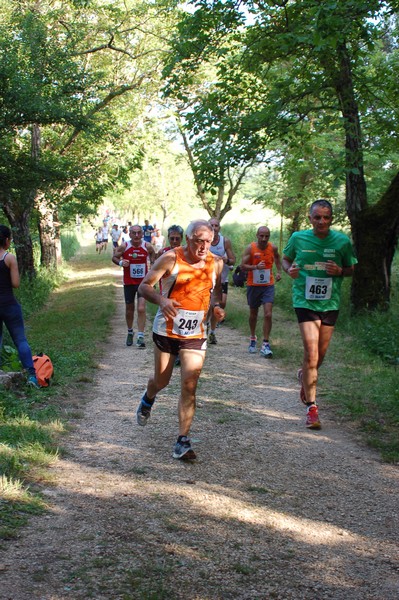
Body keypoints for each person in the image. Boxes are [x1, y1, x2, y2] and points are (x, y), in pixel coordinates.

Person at [136, 220, 225, 460]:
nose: (204, 246)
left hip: (195, 333)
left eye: (208, 241)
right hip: (167, 331)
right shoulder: (170, 259)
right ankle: (148, 398)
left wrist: (216, 308)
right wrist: (162, 301)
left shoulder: (216, 263)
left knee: (189, 384)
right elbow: (144, 287)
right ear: (188, 239)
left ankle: (182, 440)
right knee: (161, 381)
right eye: (198, 240)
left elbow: (214, 292)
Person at [282, 199, 357, 430]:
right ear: (310, 218)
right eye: (317, 217)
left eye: (326, 217)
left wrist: (340, 271)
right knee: (311, 352)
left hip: (330, 303)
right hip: (304, 301)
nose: (321, 221)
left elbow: (352, 268)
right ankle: (312, 409)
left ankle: (304, 375)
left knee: (319, 356)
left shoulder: (342, 242)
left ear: (331, 218)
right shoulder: (298, 238)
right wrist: (289, 270)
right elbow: (285, 260)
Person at [0, 225, 39, 388]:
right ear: (7, 240)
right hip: (9, 304)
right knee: (20, 340)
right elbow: (16, 283)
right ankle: (32, 376)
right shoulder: (9, 258)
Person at [241, 226, 282, 357]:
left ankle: (265, 343)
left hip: (268, 285)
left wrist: (279, 271)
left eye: (267, 236)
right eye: (261, 236)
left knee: (268, 314)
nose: (264, 239)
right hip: (253, 285)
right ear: (257, 235)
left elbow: (277, 257)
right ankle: (253, 337)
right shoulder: (251, 248)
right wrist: (255, 267)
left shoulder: (273, 247)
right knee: (253, 313)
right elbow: (242, 266)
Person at [112, 224, 155, 348]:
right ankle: (130, 332)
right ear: (129, 234)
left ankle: (140, 336)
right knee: (129, 309)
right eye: (133, 233)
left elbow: (153, 254)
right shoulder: (125, 246)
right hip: (129, 283)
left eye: (139, 233)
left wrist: (152, 264)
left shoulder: (147, 246)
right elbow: (114, 257)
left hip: (143, 283)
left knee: (141, 308)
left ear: (142, 234)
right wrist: (121, 262)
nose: (136, 235)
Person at [207, 217, 235, 344]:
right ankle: (209, 330)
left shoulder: (225, 241)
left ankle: (211, 329)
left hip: (222, 279)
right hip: (206, 279)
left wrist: (225, 260)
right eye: (211, 225)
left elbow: (233, 260)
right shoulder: (204, 241)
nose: (213, 228)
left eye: (216, 225)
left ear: (219, 228)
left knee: (221, 304)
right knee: (210, 306)